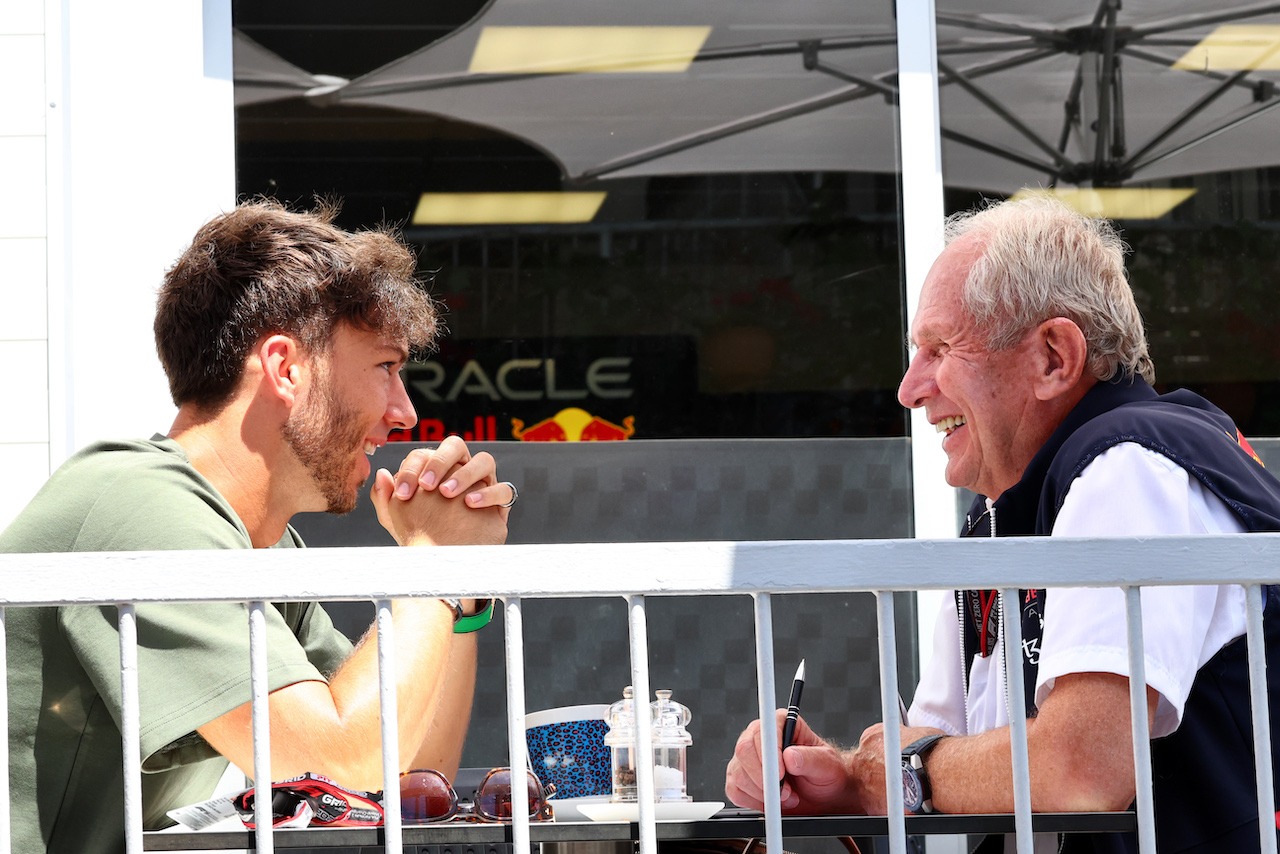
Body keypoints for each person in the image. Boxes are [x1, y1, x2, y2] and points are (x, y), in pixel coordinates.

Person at [724, 195, 1280, 853]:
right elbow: (943, 765)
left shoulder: (1128, 466)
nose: (909, 389)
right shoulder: (1006, 510)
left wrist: (892, 774)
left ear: (1053, 357)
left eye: (939, 348)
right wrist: (839, 776)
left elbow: (1078, 772)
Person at [0, 200, 519, 854]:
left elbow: (406, 773)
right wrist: (431, 564)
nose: (406, 413)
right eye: (386, 367)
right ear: (285, 367)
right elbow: (336, 758)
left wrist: (460, 593)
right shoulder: (140, 506)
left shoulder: (255, 541)